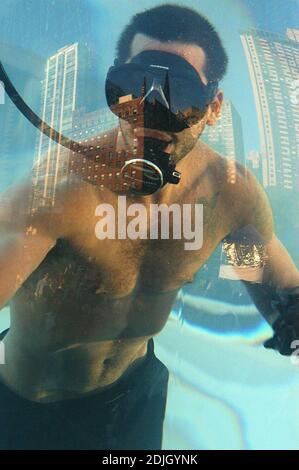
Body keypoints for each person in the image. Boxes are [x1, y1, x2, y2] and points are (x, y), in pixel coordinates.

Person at [0, 4, 299, 450]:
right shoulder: (60, 193)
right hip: (30, 403)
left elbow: (265, 279)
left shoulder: (226, 198)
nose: (150, 113)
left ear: (213, 108)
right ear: (113, 88)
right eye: (133, 88)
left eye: (178, 93)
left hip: (137, 394)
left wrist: (287, 314)